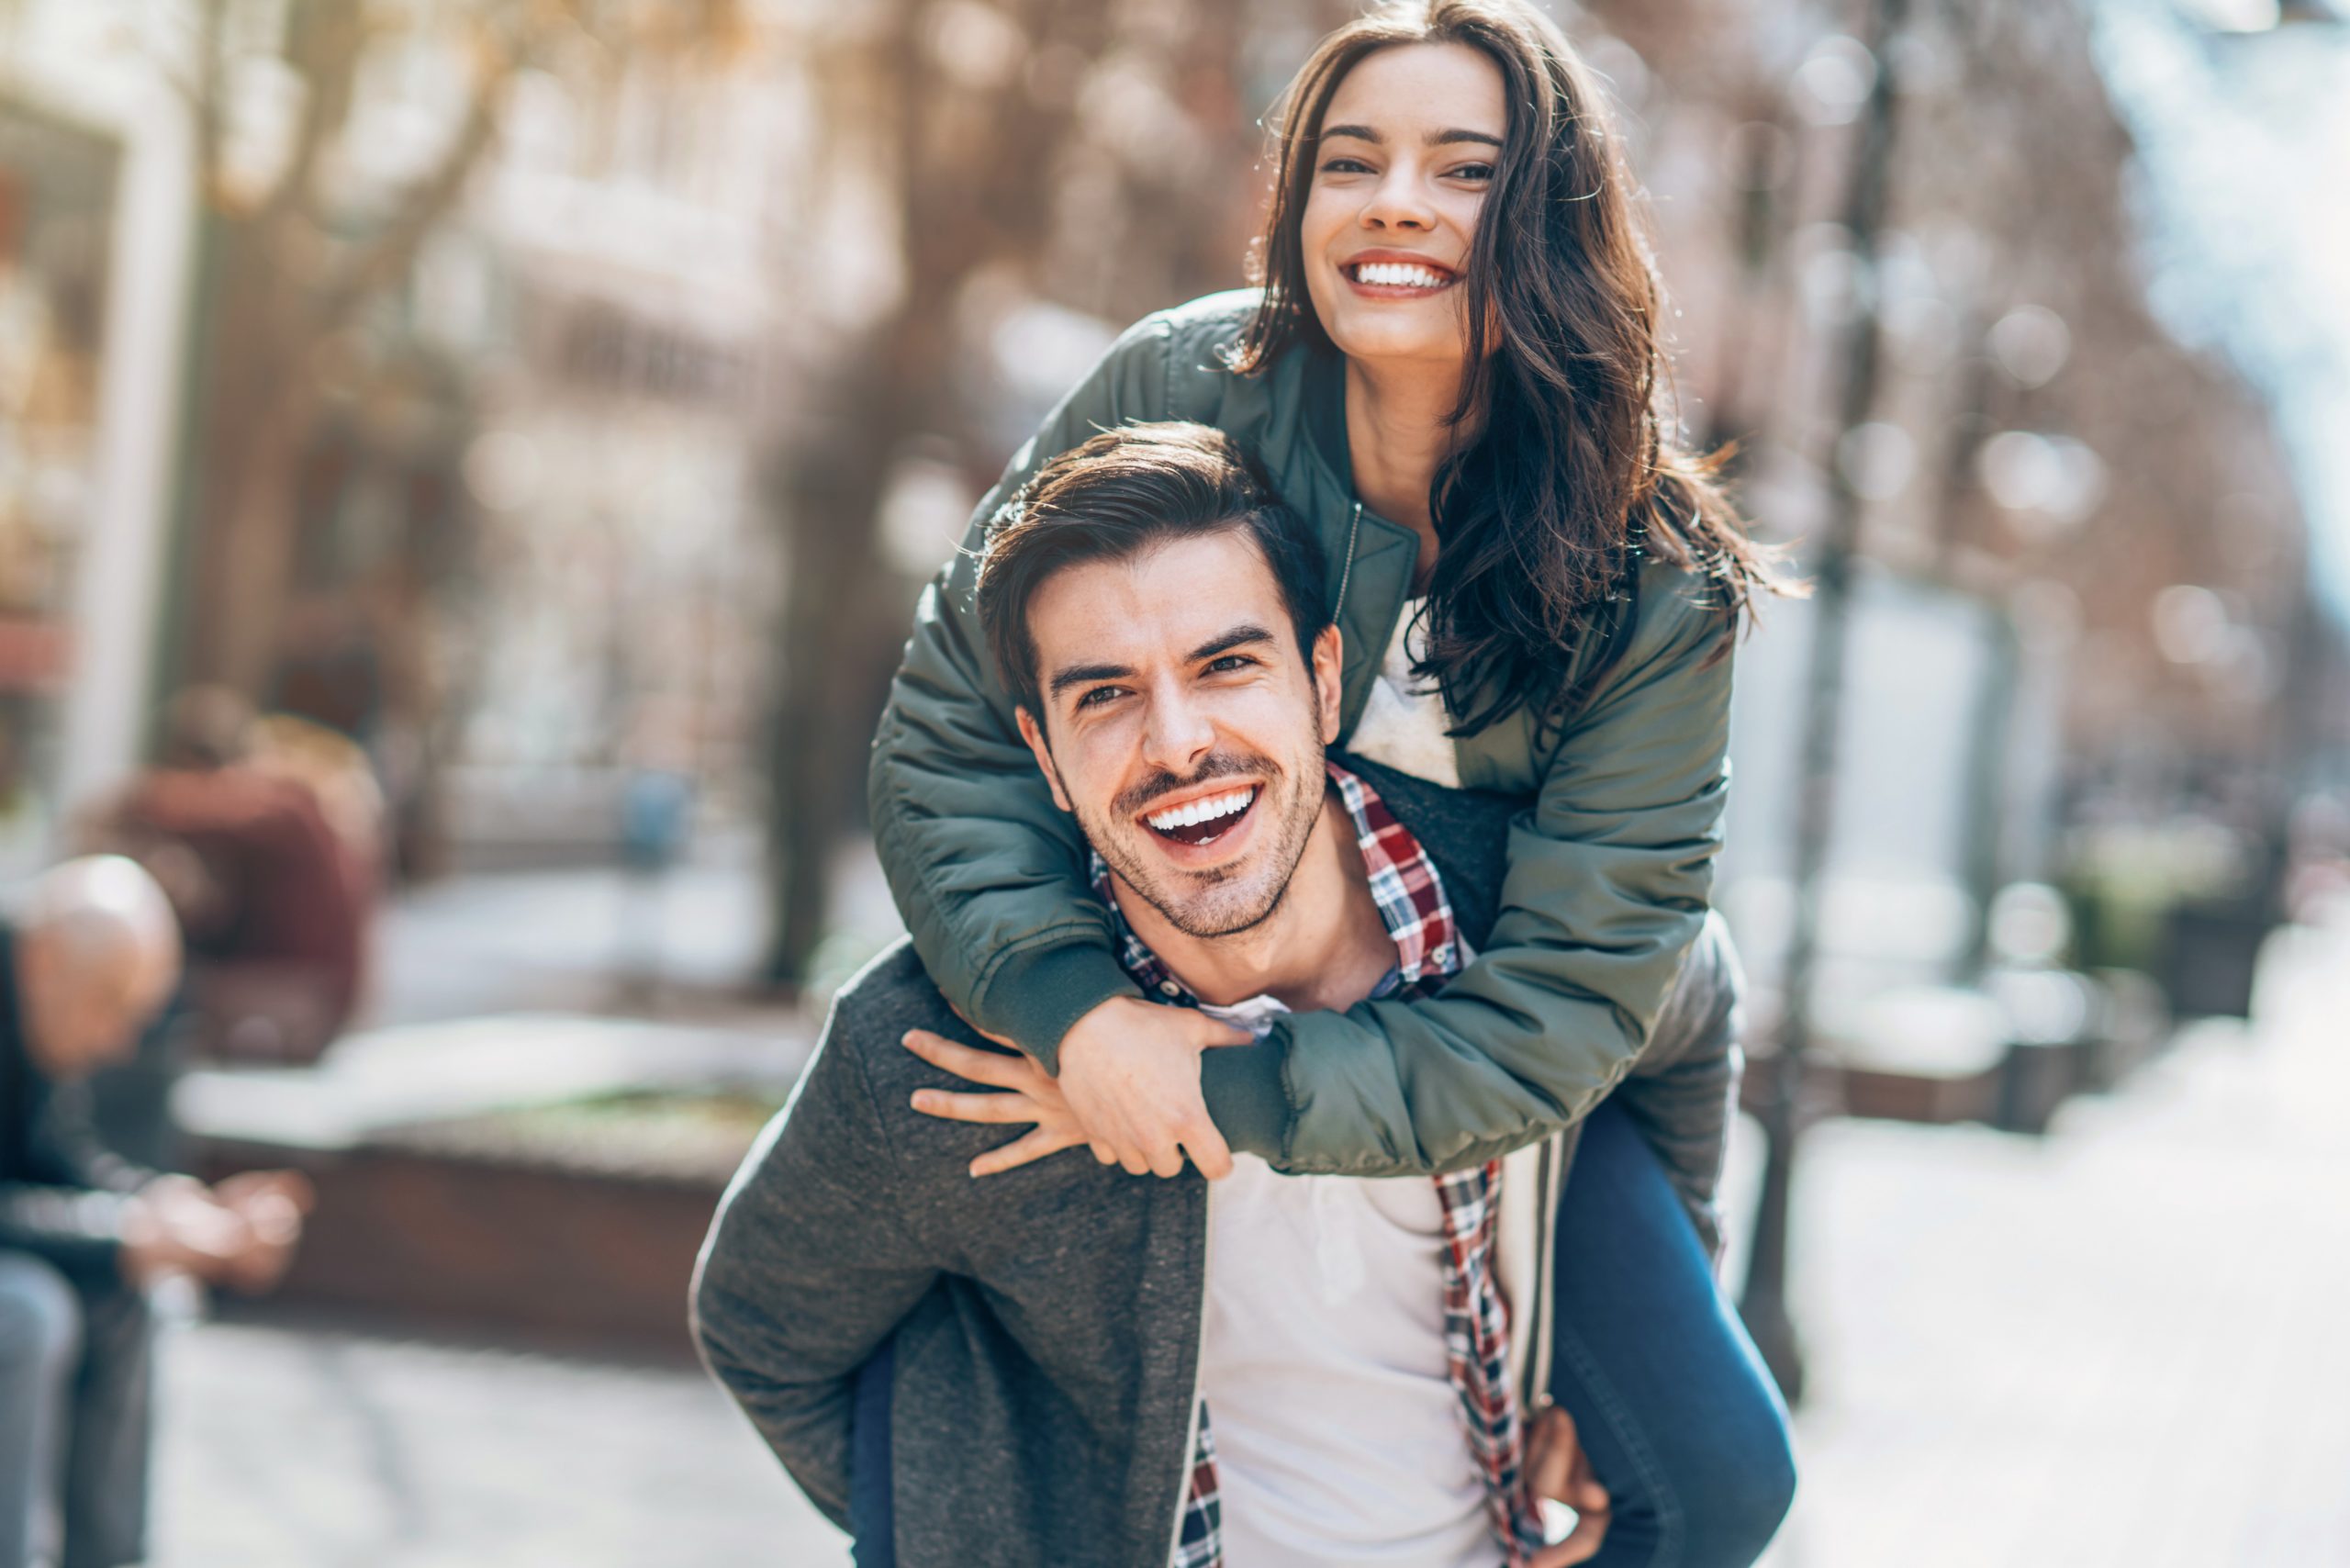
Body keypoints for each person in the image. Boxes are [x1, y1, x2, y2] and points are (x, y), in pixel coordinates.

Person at [862, 3, 1795, 1562]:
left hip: (1503, 1081)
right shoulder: (1176, 382)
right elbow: (953, 728)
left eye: (1462, 168)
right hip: (1160, 974)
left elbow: (1580, 999)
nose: (1395, 203)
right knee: (1006, 1411)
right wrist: (1080, 1016)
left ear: (1550, 217)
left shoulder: (1654, 573)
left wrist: (1217, 1090)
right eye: (1348, 161)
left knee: (1711, 1479)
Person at [699, 425, 1786, 1568]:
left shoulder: (1529, 937)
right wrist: (993, 1524)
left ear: (1321, 681)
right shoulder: (939, 1054)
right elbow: (763, 1328)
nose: (1177, 744)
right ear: (1045, 753)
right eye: (1106, 695)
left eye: (1226, 666)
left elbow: (1692, 1013)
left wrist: (1613, 1364)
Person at [0, 857, 313, 1568]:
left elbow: (58, 1159)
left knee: (131, 1290)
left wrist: (167, 1209)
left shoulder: (35, 1007)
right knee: (27, 1310)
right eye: (110, 1005)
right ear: (45, 958)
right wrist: (123, 1235)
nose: (117, 1042)